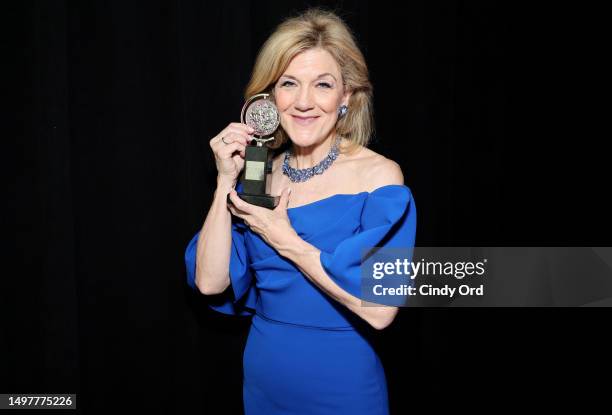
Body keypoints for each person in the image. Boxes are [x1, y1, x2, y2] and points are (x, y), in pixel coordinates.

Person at [185, 8, 416, 415]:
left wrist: (286, 240)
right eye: (289, 83)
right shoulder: (259, 175)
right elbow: (208, 283)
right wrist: (225, 181)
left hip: (343, 386)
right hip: (264, 381)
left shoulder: (378, 175)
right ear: (270, 97)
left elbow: (381, 311)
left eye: (323, 85)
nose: (304, 102)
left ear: (346, 97)